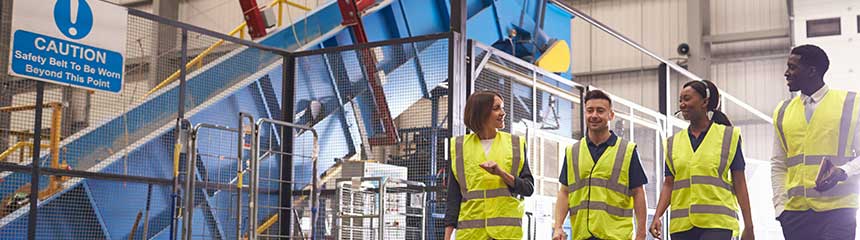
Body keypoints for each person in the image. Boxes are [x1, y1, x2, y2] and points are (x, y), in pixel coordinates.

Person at [771, 44, 860, 240]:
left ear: (812, 71)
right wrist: (780, 208)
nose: (786, 73)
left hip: (839, 210)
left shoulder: (851, 103)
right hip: (795, 214)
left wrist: (844, 171)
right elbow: (778, 163)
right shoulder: (782, 111)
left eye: (792, 67)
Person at [649, 80, 754, 240]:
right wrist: (658, 216)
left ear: (705, 102)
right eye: (680, 100)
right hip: (681, 226)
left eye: (687, 99)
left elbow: (740, 183)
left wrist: (749, 226)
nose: (682, 104)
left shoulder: (728, 137)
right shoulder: (672, 143)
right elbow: (669, 183)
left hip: (718, 224)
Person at [551, 90, 649, 240]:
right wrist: (558, 227)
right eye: (590, 110)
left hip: (616, 236)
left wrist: (641, 234)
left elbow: (638, 193)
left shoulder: (626, 151)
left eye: (600, 111)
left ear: (611, 115)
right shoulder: (573, 151)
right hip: (581, 235)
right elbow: (565, 192)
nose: (594, 115)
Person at [444, 90, 535, 240]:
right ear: (481, 113)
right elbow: (453, 198)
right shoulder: (459, 147)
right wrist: (447, 236)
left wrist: (501, 173)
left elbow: (528, 188)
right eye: (496, 108)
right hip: (470, 235)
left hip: (505, 234)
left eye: (502, 107)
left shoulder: (515, 144)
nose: (503, 113)